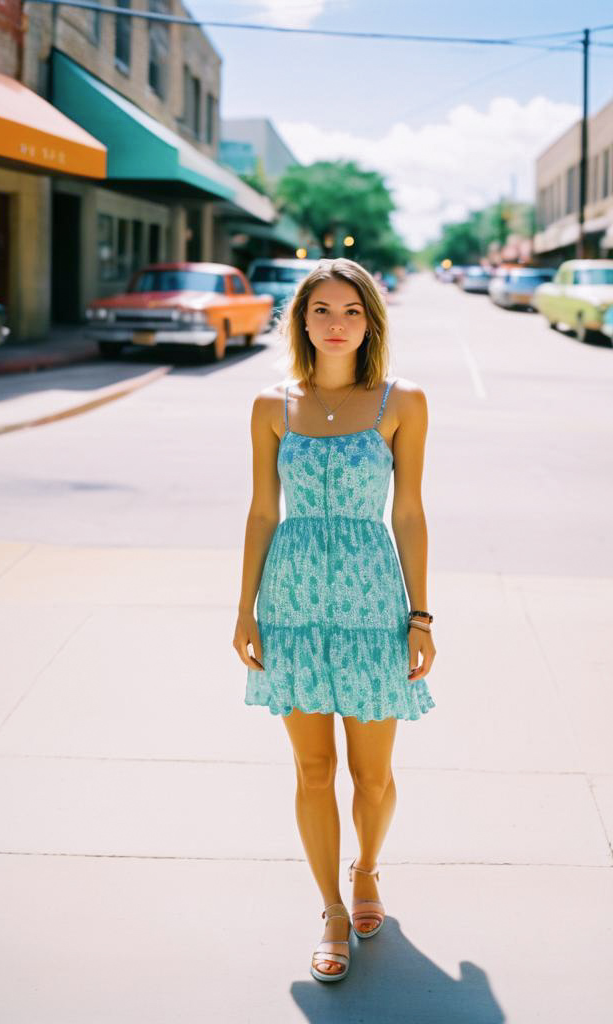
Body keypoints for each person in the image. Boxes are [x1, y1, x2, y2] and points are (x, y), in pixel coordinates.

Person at [233, 257, 437, 983]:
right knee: (312, 768)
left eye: (352, 310)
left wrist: (420, 615)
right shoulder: (269, 406)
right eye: (322, 309)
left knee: (372, 775)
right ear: (301, 321)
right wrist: (245, 609)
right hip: (290, 603)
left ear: (371, 321)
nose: (337, 323)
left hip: (372, 602)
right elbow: (263, 512)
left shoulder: (401, 402)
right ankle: (328, 907)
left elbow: (408, 513)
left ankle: (368, 869)